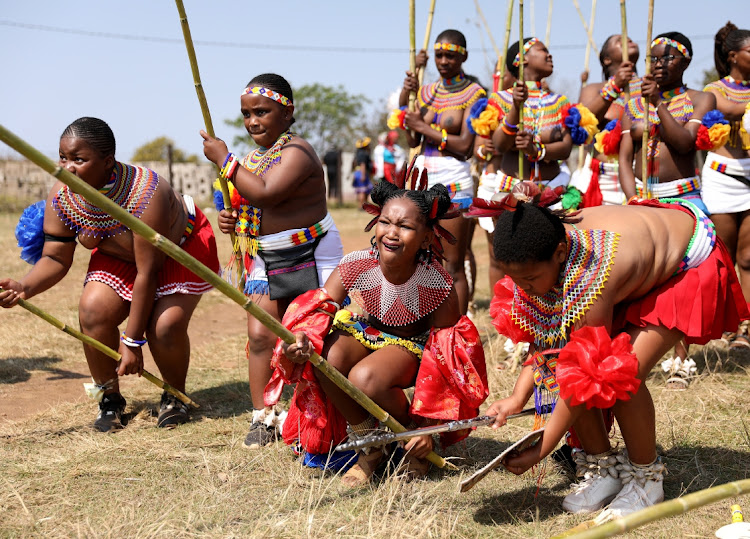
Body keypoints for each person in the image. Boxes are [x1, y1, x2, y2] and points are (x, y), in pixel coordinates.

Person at [479, 182, 747, 519]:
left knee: (622, 372)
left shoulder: (591, 274)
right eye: (514, 279)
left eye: (530, 279)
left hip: (688, 260)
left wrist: (545, 444)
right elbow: (548, 344)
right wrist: (517, 398)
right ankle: (602, 467)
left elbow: (588, 369)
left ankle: (647, 479)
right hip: (637, 258)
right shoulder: (535, 263)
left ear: (560, 254)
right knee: (570, 361)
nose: (523, 288)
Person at [265, 175, 488, 486]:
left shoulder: (436, 283)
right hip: (369, 333)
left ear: (426, 238)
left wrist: (431, 426)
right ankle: (370, 444)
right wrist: (300, 340)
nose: (392, 233)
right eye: (385, 222)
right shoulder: (357, 264)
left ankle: (413, 438)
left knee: (365, 377)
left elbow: (448, 357)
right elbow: (319, 307)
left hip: (413, 348)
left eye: (406, 227)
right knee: (324, 357)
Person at [0, 117, 220, 431]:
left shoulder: (146, 192)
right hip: (117, 253)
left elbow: (149, 270)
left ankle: (175, 395)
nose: (68, 167)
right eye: (63, 158)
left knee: (164, 327)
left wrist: (132, 341)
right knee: (92, 312)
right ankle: (109, 398)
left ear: (107, 162)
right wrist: (24, 287)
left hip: (174, 251)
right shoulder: (63, 195)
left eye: (79, 159)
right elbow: (55, 257)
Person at [201, 73, 344, 449]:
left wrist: (224, 161)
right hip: (267, 256)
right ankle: (263, 417)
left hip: (314, 251)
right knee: (261, 335)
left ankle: (321, 415)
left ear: (288, 112)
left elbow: (267, 193)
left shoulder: (298, 151)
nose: (252, 122)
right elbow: (250, 207)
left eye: (262, 112)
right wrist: (230, 220)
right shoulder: (251, 160)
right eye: (247, 114)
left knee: (317, 333)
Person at [397, 29, 486, 315]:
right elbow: (412, 141)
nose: (444, 60)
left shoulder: (474, 94)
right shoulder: (424, 93)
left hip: (453, 178)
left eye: (450, 55)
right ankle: (426, 320)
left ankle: (459, 331)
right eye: (439, 55)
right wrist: (407, 91)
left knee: (453, 263)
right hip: (423, 174)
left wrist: (424, 128)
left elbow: (464, 146)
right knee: (420, 256)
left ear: (464, 56)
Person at [619, 32, 720, 213]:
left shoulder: (701, 99)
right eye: (652, 59)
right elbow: (625, 160)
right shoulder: (633, 106)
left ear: (685, 62)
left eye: (667, 58)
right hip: (641, 199)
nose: (658, 64)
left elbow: (684, 143)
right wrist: (633, 199)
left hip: (683, 197)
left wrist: (657, 102)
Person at [702, 22, 750, 347]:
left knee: (748, 258)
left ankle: (744, 328)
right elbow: (727, 109)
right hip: (722, 178)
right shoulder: (714, 90)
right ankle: (721, 323)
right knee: (725, 257)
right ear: (733, 56)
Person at [572, 34, 640, 206]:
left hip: (642, 174)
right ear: (607, 60)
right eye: (620, 41)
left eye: (630, 39)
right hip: (605, 181)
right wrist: (615, 86)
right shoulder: (593, 89)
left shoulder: (649, 87)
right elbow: (582, 125)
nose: (628, 41)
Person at [353, 137, 374, 205]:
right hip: (362, 173)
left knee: (360, 190)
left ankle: (362, 205)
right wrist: (363, 175)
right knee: (363, 190)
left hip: (358, 173)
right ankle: (362, 205)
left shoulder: (358, 154)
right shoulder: (363, 154)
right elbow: (363, 164)